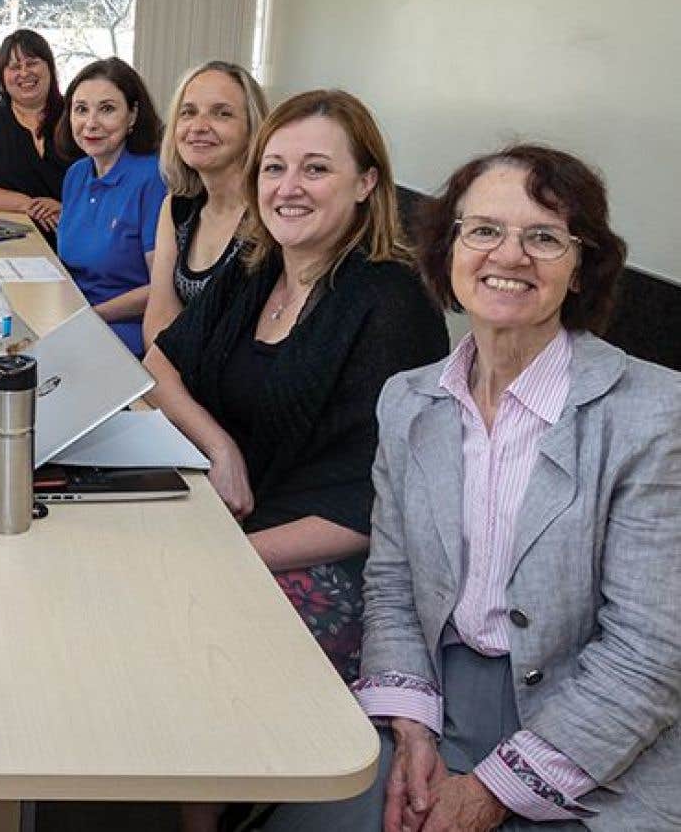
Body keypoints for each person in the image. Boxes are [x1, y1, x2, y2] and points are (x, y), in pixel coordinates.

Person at [266, 145, 679, 832]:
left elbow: (650, 656)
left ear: (581, 269)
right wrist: (414, 729)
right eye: (483, 230)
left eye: (544, 237)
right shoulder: (408, 402)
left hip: (602, 732)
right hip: (438, 690)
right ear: (448, 252)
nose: (509, 256)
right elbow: (393, 582)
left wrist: (488, 792)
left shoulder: (655, 414)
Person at [149, 90, 449, 683]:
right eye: (274, 168)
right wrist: (220, 447)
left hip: (327, 564)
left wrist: (221, 557)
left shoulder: (391, 303)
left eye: (316, 169)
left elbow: (374, 507)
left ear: (365, 183)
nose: (289, 188)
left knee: (157, 638)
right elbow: (159, 363)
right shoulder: (257, 265)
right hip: (225, 517)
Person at [142, 60, 267, 350]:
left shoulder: (270, 213)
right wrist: (165, 383)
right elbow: (159, 315)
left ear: (252, 129)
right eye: (188, 113)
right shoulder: (177, 206)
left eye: (222, 114)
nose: (199, 126)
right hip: (177, 375)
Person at [54, 57, 168, 355]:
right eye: (81, 110)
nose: (91, 123)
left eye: (107, 109)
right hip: (75, 318)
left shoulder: (152, 179)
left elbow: (163, 288)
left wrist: (94, 316)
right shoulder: (76, 174)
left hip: (124, 329)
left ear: (132, 115)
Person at [0, 28, 77, 238]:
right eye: (14, 67)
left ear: (50, 68)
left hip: (75, 234)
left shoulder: (79, 116)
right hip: (7, 239)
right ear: (2, 76)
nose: (24, 73)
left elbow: (107, 187)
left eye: (32, 63)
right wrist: (27, 204)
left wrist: (67, 209)